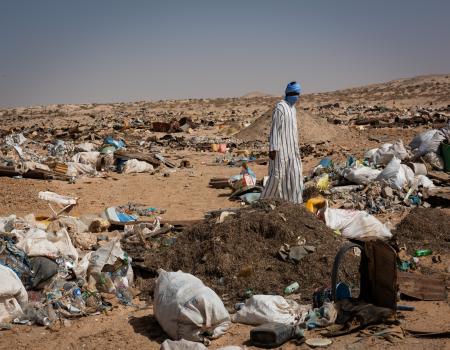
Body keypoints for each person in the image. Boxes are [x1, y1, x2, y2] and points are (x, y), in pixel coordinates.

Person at [260, 81, 303, 203]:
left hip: (292, 150)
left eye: (298, 94)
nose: (296, 96)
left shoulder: (293, 109)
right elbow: (275, 129)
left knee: (295, 175)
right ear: (288, 93)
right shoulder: (281, 107)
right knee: (278, 177)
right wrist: (273, 149)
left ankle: (294, 202)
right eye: (294, 93)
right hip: (280, 151)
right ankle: (265, 201)